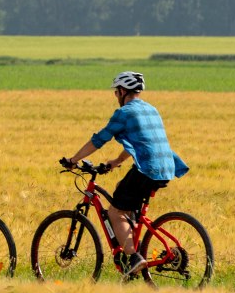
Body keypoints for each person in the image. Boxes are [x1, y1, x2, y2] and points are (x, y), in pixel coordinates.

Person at [62, 71, 189, 278]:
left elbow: (99, 139)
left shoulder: (123, 113)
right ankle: (133, 241)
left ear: (122, 91)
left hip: (148, 168)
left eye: (116, 92)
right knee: (124, 192)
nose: (116, 96)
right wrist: (116, 162)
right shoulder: (152, 109)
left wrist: (73, 160)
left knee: (115, 211)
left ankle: (134, 257)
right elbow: (142, 142)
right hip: (167, 167)